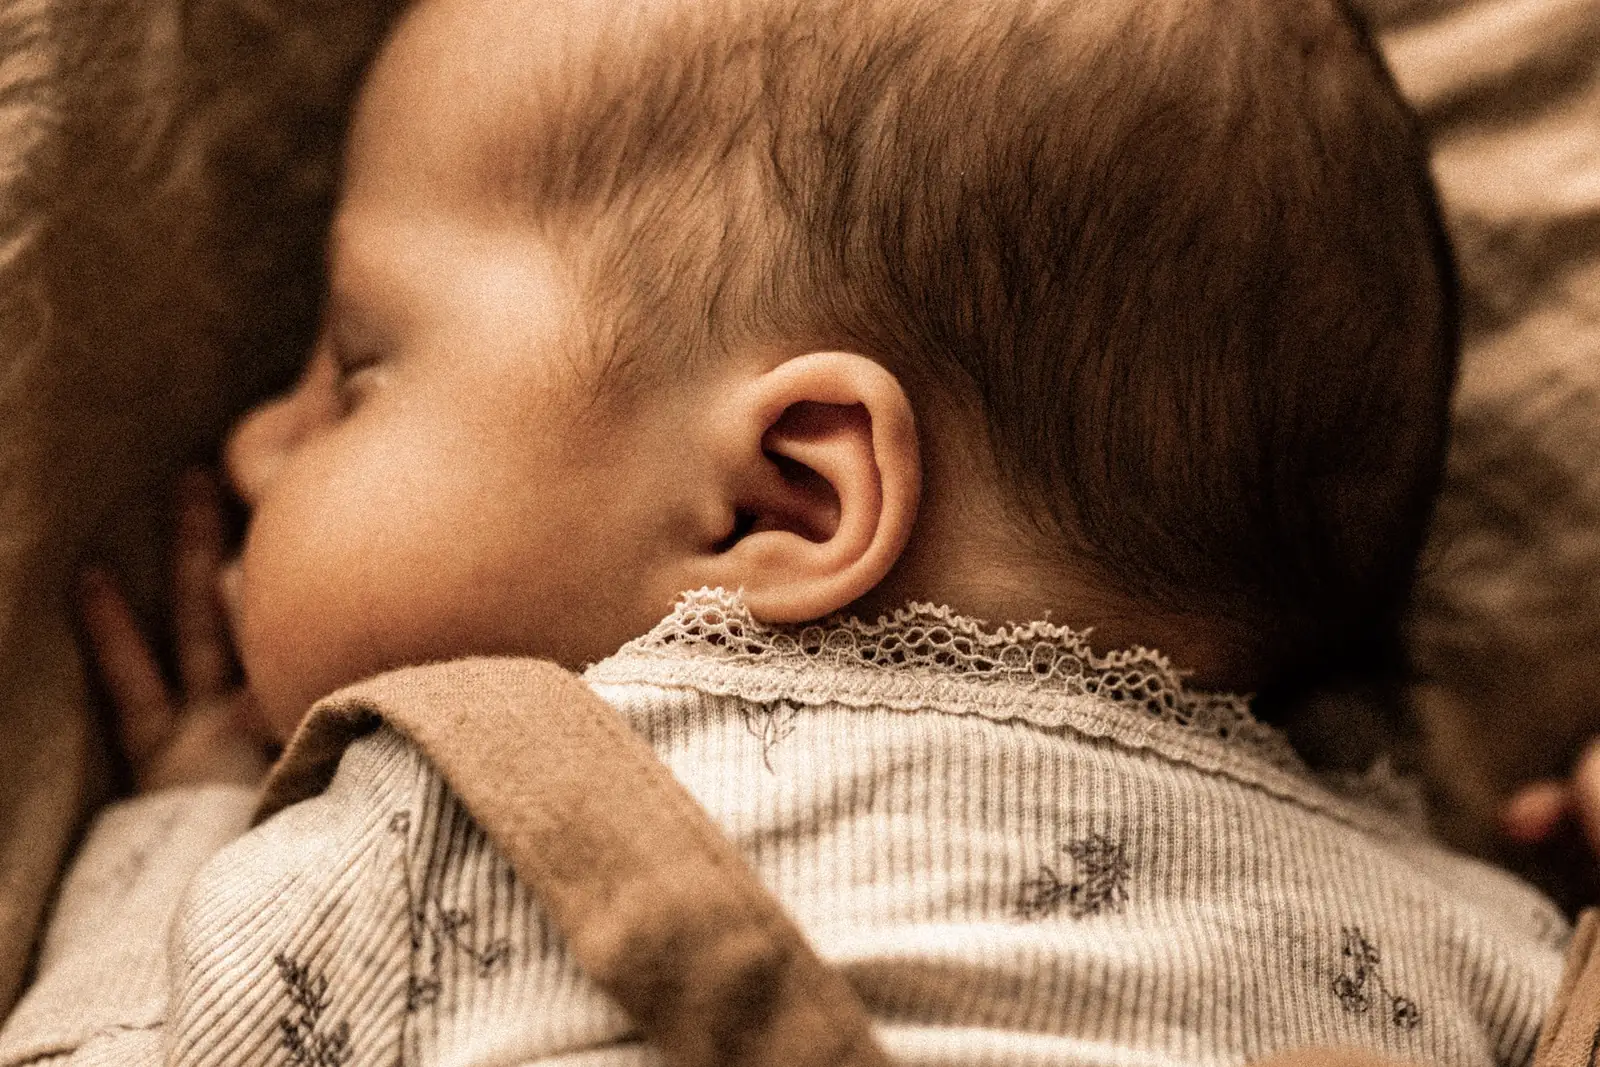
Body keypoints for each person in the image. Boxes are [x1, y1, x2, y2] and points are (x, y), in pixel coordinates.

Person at [0, 0, 1571, 1063]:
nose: (250, 442)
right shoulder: (1474, 931)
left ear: (785, 500)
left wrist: (179, 830)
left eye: (355, 367)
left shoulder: (444, 832)